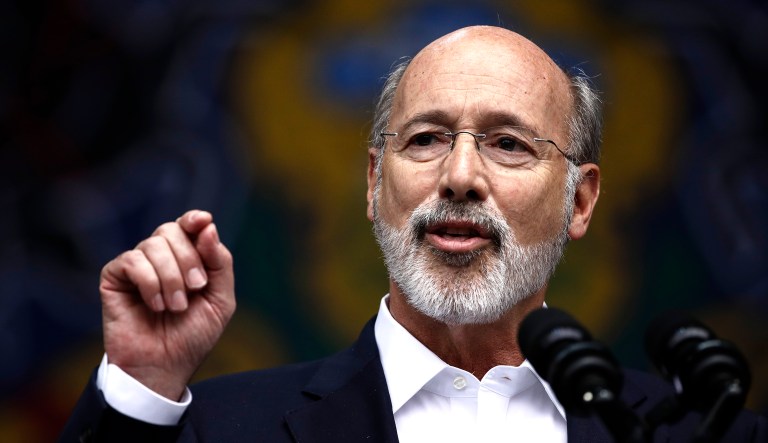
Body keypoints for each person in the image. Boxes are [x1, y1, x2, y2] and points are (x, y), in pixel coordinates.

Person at [59, 26, 765, 442]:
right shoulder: (220, 431)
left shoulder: (700, 432)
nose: (460, 175)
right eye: (426, 138)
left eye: (509, 144)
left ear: (579, 200)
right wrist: (142, 386)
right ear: (374, 183)